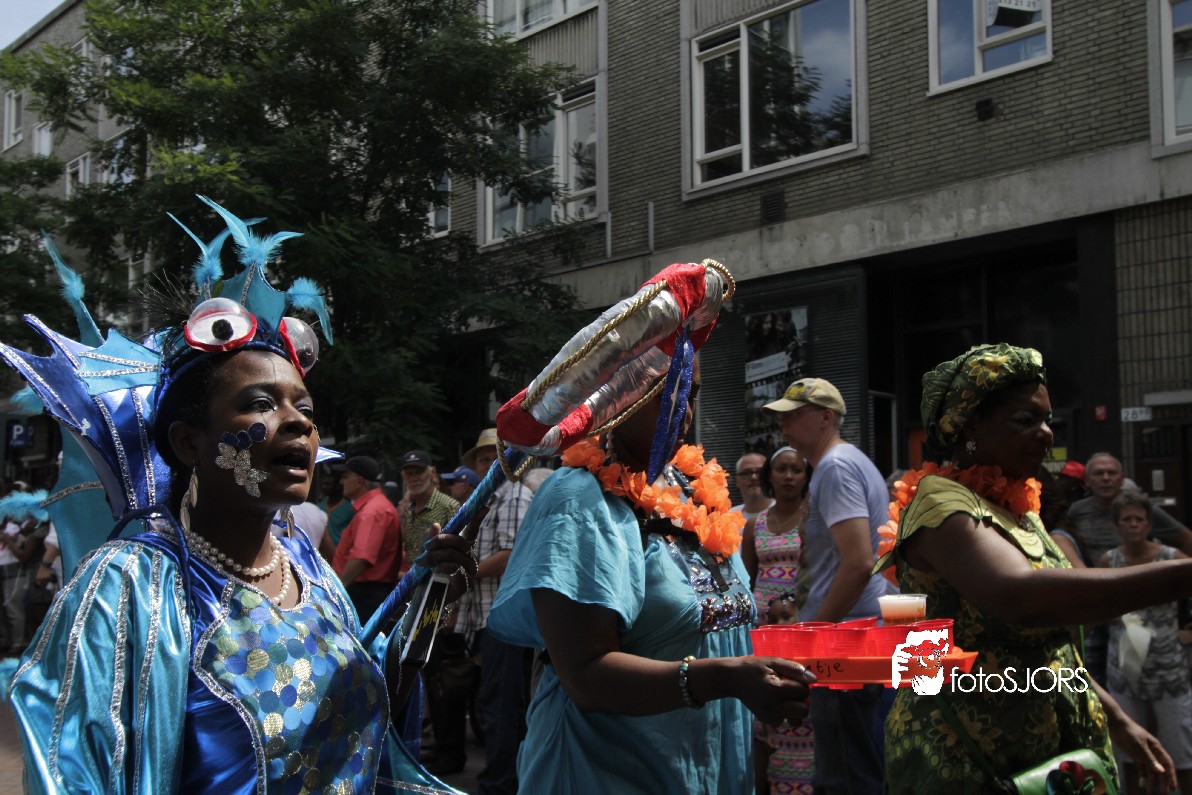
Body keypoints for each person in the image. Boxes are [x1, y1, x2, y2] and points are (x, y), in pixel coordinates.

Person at [2, 200, 476, 792]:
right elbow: (78, 773)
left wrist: (429, 605)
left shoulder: (308, 568)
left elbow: (365, 719)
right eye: (260, 404)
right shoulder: (128, 587)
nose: (298, 422)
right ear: (188, 442)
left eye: (305, 408)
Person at [488, 356, 813, 794]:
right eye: (666, 392)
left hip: (706, 768)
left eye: (691, 393)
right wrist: (724, 678)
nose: (685, 410)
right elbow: (585, 675)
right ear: (617, 394)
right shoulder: (578, 499)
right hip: (609, 774)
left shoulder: (696, 491)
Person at [875, 343, 1186, 794]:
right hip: (968, 759)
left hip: (1055, 754)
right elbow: (1021, 597)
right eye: (1025, 420)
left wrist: (1117, 719)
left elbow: (1052, 644)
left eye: (1047, 420)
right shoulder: (938, 503)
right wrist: (1181, 576)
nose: (1045, 433)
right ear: (968, 426)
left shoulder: (1020, 510)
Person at [764, 377, 892, 794]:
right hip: (856, 639)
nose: (783, 424)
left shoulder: (836, 467)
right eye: (781, 417)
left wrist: (813, 635)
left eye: (794, 415)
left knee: (845, 780)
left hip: (846, 645)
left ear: (826, 418)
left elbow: (858, 563)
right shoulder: (846, 462)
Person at [456, 428, 535, 794]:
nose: (489, 463)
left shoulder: (515, 495)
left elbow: (510, 554)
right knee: (497, 702)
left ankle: (499, 783)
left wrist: (464, 573)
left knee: (501, 704)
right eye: (483, 459)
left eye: (496, 456)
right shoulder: (489, 497)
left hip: (503, 617)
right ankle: (504, 779)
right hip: (487, 616)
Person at [1100, 490, 1192, 795]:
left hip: (1167, 668)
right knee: (1129, 746)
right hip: (1124, 666)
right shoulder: (1110, 560)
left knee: (1180, 742)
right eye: (1127, 520)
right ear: (1117, 525)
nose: (1133, 525)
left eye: (1139, 519)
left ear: (1149, 524)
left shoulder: (1171, 558)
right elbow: (1097, 604)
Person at [740, 445, 814, 795]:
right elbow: (747, 579)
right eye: (781, 469)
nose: (788, 476)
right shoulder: (753, 525)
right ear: (769, 475)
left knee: (801, 708)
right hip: (764, 634)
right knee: (765, 712)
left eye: (796, 470)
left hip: (802, 631)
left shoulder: (814, 521)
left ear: (806, 477)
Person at [332, 455, 404, 623]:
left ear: (359, 481)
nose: (341, 482)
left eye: (345, 477)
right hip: (369, 592)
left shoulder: (372, 511)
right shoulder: (376, 506)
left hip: (365, 594)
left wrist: (337, 591)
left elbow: (361, 558)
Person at [397, 450, 460, 577]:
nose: (414, 478)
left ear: (433, 472)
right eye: (409, 474)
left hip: (439, 583)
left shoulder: (449, 506)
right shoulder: (408, 509)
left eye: (419, 472)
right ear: (403, 476)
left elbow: (461, 551)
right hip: (413, 584)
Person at [732, 451, 776, 520]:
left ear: (770, 477)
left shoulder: (785, 513)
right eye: (747, 473)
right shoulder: (729, 516)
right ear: (737, 481)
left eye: (760, 472)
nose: (754, 477)